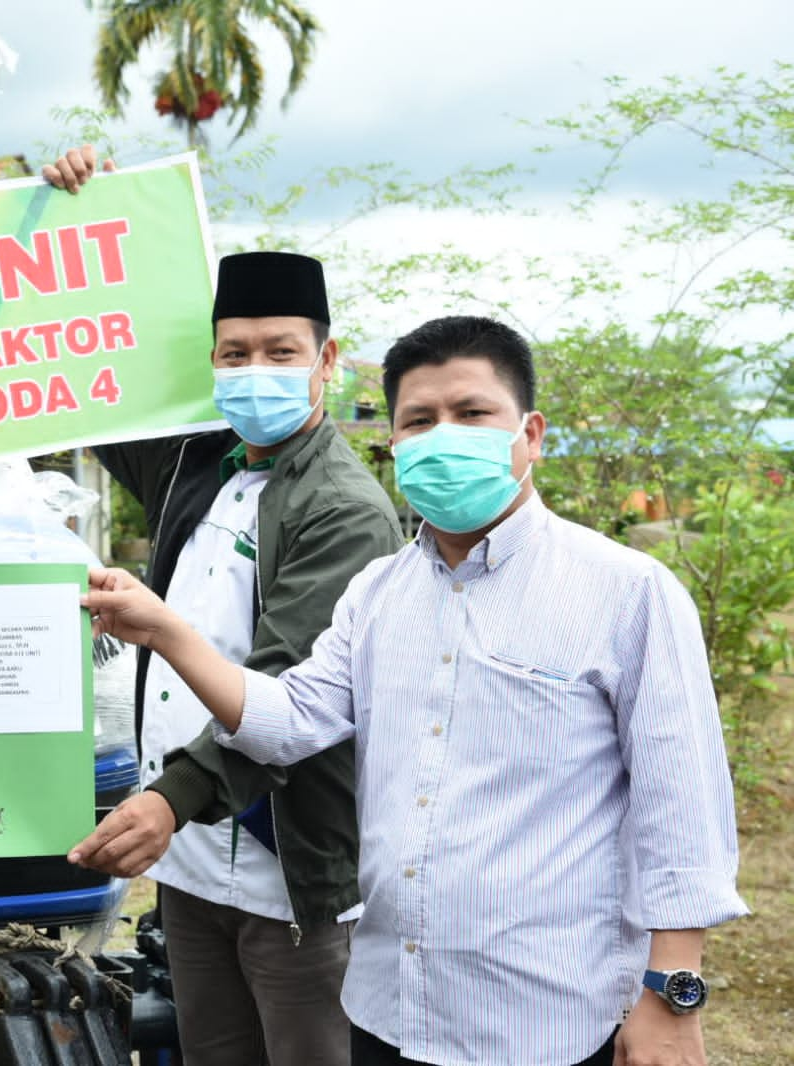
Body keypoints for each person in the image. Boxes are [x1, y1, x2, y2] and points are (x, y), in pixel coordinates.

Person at [74, 315, 748, 1066]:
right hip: (389, 1007)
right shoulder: (377, 592)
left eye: (471, 413)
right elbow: (289, 718)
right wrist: (165, 630)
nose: (442, 435)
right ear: (393, 445)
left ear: (530, 433)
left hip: (547, 1018)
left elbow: (680, 805)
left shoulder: (625, 593)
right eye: (418, 420)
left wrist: (671, 994)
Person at [44, 145, 403, 1066]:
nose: (255, 371)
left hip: (290, 871)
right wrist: (73, 220)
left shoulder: (342, 507)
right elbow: (81, 390)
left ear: (324, 360)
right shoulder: (198, 466)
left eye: (280, 352)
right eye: (233, 353)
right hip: (192, 863)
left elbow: (289, 691)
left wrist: (172, 798)